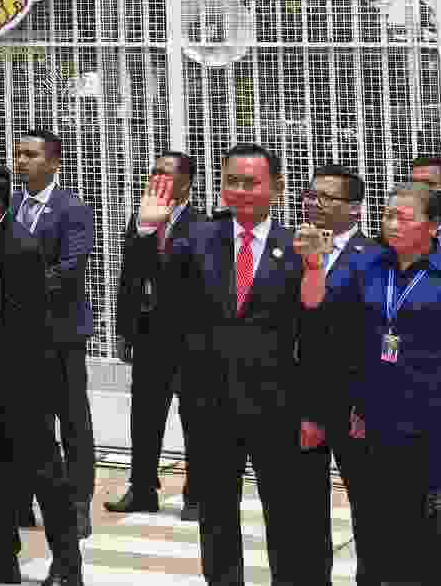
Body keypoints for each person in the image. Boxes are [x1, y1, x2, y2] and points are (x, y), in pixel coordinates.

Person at [306, 178, 441, 586]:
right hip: (379, 421)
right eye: (389, 215)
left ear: (433, 226)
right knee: (386, 529)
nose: (392, 224)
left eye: (404, 218)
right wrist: (314, 266)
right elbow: (319, 308)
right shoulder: (368, 266)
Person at [159, 144, 331, 586]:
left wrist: (315, 266)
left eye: (251, 182)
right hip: (210, 403)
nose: (239, 190)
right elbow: (165, 306)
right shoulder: (198, 239)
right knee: (215, 514)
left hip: (278, 405)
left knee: (287, 514)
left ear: (277, 187)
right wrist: (148, 230)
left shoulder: (296, 245)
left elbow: (315, 326)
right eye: (231, 181)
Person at [0, 172, 84, 586]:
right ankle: (1, 558)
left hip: (23, 380)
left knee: (45, 475)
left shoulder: (18, 247)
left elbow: (23, 326)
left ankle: (67, 563)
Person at [3, 130, 98, 499]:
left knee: (72, 418)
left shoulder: (72, 208)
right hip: (18, 333)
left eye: (31, 155)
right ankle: (25, 497)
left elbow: (71, 268)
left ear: (54, 163)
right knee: (27, 418)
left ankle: (78, 500)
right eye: (18, 154)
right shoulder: (10, 205)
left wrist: (18, 287)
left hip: (62, 331)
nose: (21, 161)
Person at [108, 150, 198, 517]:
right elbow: (129, 275)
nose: (158, 179)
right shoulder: (140, 219)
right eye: (154, 172)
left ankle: (197, 493)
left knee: (194, 417)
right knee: (145, 417)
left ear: (186, 184)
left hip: (190, 337)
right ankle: (142, 488)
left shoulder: (202, 224)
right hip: (148, 334)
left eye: (167, 174)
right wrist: (123, 330)